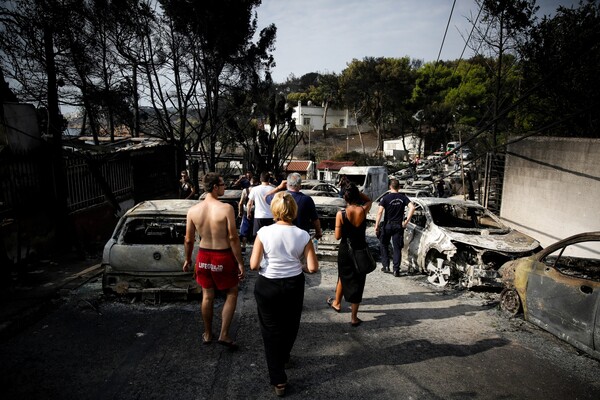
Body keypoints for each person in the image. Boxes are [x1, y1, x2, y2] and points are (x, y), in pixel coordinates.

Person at [250, 192, 319, 397]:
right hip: (293, 284)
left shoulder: (263, 232)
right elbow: (313, 268)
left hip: (267, 285)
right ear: (294, 211)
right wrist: (300, 265)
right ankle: (285, 354)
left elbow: (254, 264)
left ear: (275, 211)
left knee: (270, 331)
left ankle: (278, 380)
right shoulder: (303, 235)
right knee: (290, 324)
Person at [183, 172, 245, 350]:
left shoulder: (193, 210)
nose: (225, 187)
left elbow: (188, 239)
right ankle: (224, 334)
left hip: (203, 256)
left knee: (207, 296)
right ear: (215, 187)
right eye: (223, 184)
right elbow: (233, 237)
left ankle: (208, 333)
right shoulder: (226, 208)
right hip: (222, 255)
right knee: (232, 292)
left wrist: (188, 259)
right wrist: (240, 262)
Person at [327, 183, 372, 327]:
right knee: (358, 281)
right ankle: (354, 317)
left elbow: (337, 236)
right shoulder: (363, 210)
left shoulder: (341, 214)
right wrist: (359, 194)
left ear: (345, 197)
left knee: (343, 275)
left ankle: (337, 303)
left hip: (346, 250)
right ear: (356, 196)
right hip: (360, 250)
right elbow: (369, 200)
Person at [374, 179, 416, 277]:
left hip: (387, 225)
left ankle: (386, 266)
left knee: (383, 244)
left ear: (390, 187)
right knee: (397, 248)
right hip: (398, 225)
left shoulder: (385, 198)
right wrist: (406, 221)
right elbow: (412, 207)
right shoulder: (403, 198)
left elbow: (380, 212)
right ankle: (396, 270)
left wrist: (376, 226)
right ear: (399, 187)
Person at [265, 172, 323, 239]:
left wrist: (279, 187)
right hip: (301, 236)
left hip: (281, 235)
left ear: (287, 185)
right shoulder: (307, 200)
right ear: (300, 186)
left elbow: (265, 196)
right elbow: (315, 219)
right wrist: (318, 232)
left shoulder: (279, 197)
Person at [247, 171, 275, 236]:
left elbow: (249, 203)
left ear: (260, 179)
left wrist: (248, 213)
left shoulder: (255, 189)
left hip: (259, 216)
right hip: (270, 216)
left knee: (258, 237)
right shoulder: (273, 189)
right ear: (269, 179)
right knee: (269, 237)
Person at [238, 175, 258, 253]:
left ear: (250, 182)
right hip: (256, 212)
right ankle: (256, 248)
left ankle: (243, 247)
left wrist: (240, 212)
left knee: (244, 230)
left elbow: (240, 203)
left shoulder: (245, 190)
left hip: (246, 212)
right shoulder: (258, 190)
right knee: (256, 231)